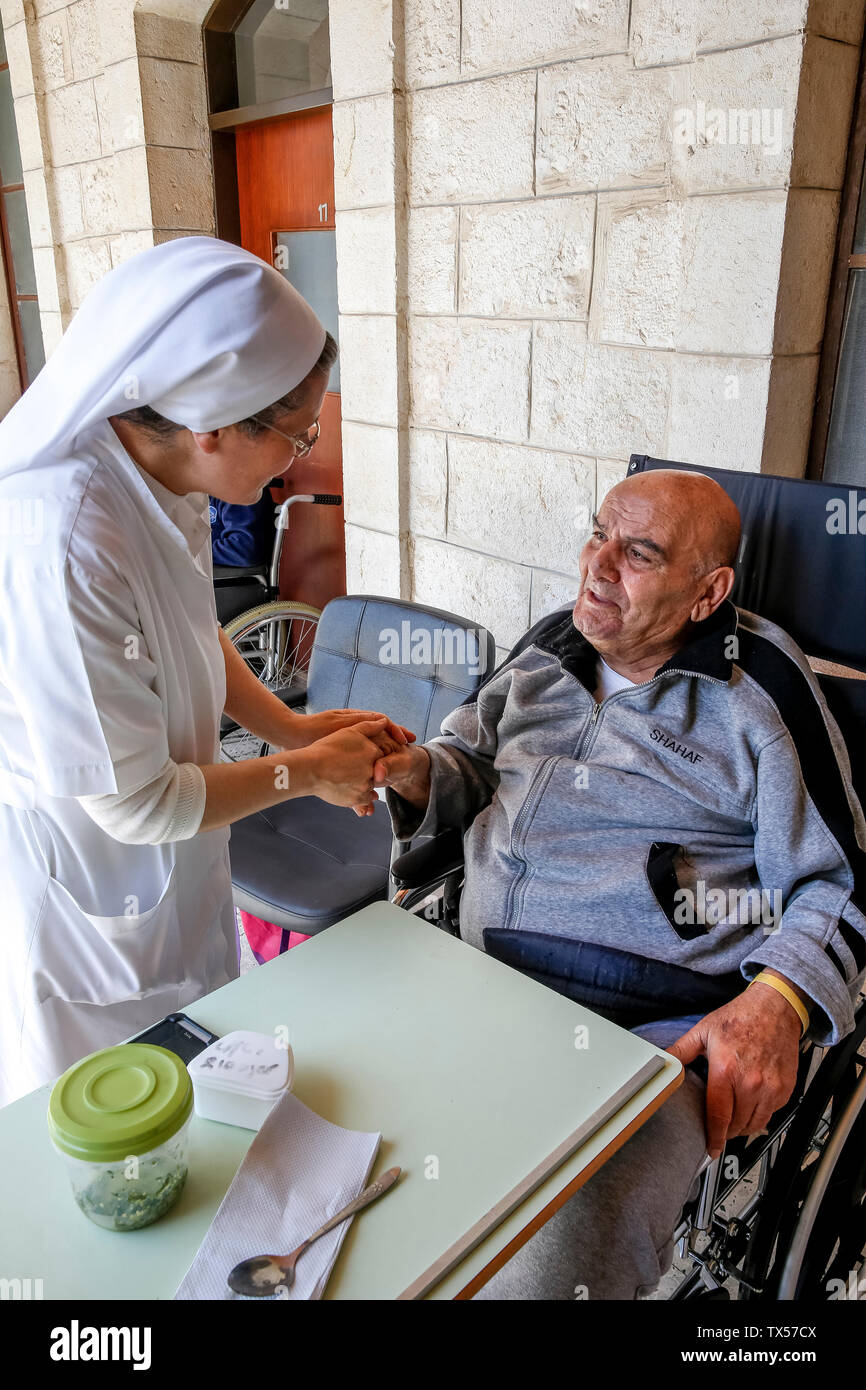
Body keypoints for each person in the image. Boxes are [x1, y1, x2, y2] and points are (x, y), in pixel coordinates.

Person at [371, 467, 866, 1298]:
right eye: (599, 533)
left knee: (549, 1272)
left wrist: (778, 1001)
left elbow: (842, 883)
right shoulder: (549, 646)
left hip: (653, 1034)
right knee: (338, 1161)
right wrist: (413, 770)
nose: (598, 566)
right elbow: (470, 767)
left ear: (708, 594)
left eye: (638, 551)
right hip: (476, 980)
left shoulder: (762, 692)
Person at [0, 236, 411, 1106]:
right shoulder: (69, 536)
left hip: (176, 858)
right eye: (297, 433)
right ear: (215, 425)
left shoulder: (166, 477)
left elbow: (192, 629)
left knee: (201, 1071)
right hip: (96, 886)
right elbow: (137, 803)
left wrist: (295, 731)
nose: (299, 455)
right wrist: (307, 774)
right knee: (119, 1124)